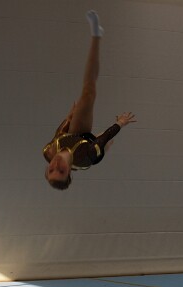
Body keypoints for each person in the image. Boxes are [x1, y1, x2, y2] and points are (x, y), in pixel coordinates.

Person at [43, 10, 136, 190]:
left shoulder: (48, 152)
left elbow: (59, 136)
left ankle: (96, 35)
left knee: (88, 92)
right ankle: (105, 147)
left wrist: (69, 116)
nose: (56, 165)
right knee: (106, 143)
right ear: (69, 172)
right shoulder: (85, 157)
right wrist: (120, 123)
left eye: (51, 170)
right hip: (90, 148)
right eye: (61, 171)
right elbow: (105, 137)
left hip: (76, 135)